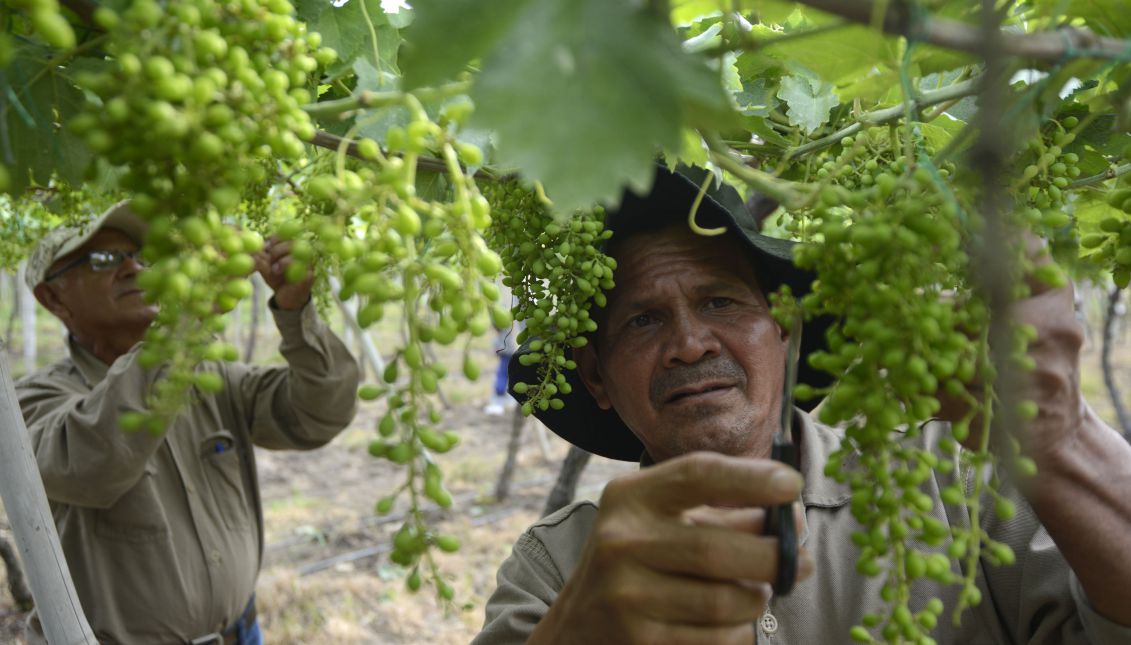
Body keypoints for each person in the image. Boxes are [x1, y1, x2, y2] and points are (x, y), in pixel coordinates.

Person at [472, 165, 1131, 644]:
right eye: (641, 321)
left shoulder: (955, 477)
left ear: (784, 331)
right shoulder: (558, 568)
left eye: (719, 300)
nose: (689, 343)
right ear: (594, 379)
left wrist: (1059, 438)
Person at [16, 202, 360, 644]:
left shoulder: (211, 377)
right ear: (53, 298)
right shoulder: (33, 403)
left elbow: (319, 414)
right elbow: (91, 463)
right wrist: (187, 320)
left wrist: (296, 310)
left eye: (143, 257)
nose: (133, 268)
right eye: (104, 259)